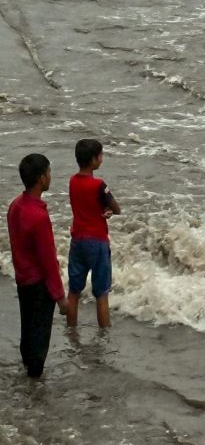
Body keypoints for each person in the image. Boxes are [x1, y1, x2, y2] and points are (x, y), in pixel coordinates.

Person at [6, 154, 67, 378]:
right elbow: (48, 261)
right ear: (42, 178)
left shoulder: (15, 206)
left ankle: (26, 383)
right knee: (39, 340)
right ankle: (34, 387)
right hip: (39, 284)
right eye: (49, 173)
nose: (51, 176)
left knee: (27, 333)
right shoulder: (38, 216)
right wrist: (60, 297)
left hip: (23, 279)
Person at [66, 139, 119, 328]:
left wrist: (104, 209)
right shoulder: (99, 185)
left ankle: (71, 331)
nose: (102, 158)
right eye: (101, 155)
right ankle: (104, 336)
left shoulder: (72, 181)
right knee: (102, 294)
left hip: (77, 239)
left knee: (74, 291)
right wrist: (110, 210)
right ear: (93, 160)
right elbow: (117, 208)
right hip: (96, 241)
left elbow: (86, 204)